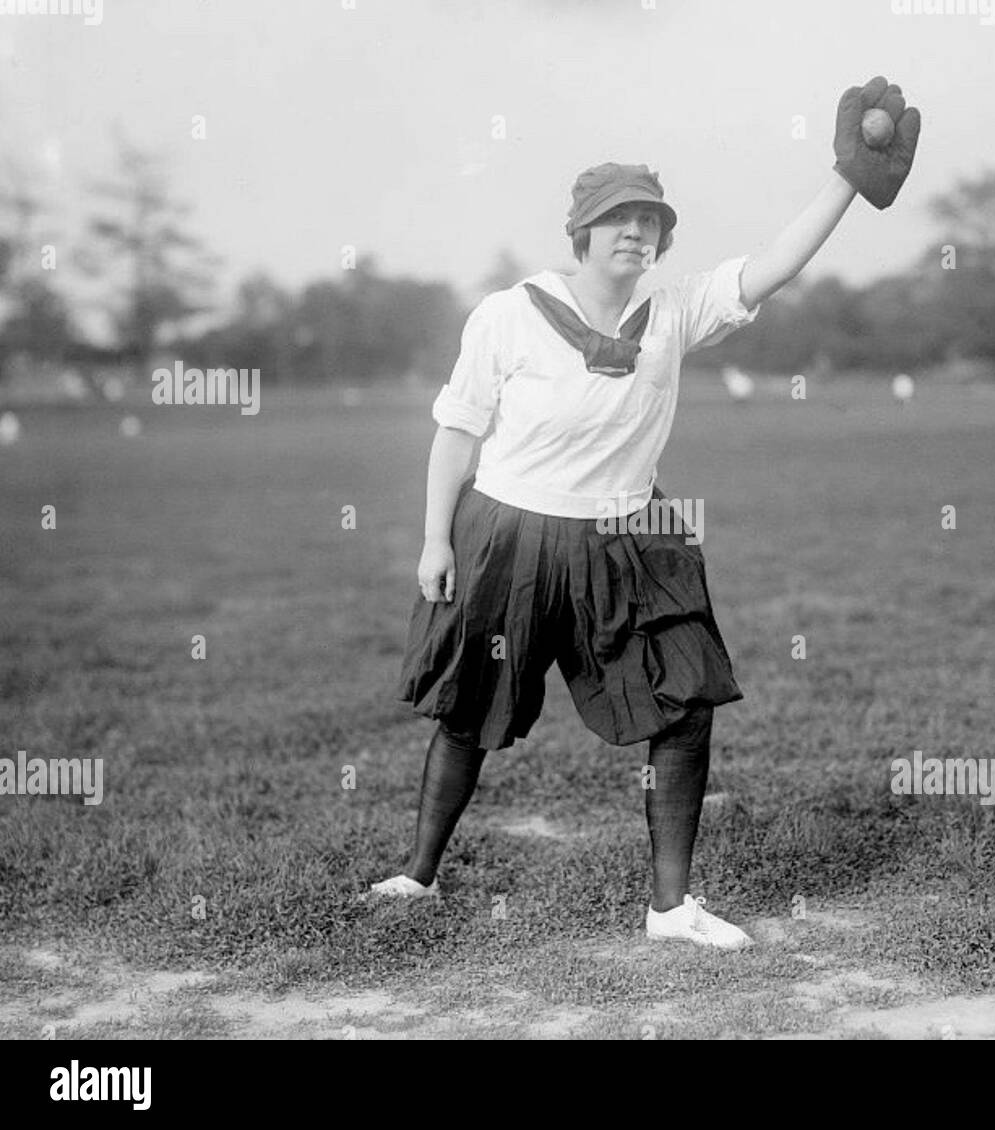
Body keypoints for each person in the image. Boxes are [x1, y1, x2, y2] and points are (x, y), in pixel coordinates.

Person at [370, 76, 921, 950]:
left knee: (685, 702)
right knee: (469, 711)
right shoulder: (508, 316)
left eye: (653, 221)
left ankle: (670, 908)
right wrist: (435, 538)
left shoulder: (673, 312)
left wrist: (846, 181)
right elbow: (454, 432)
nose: (639, 232)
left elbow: (773, 265)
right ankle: (417, 877)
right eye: (621, 218)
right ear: (582, 233)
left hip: (632, 535)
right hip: (508, 535)